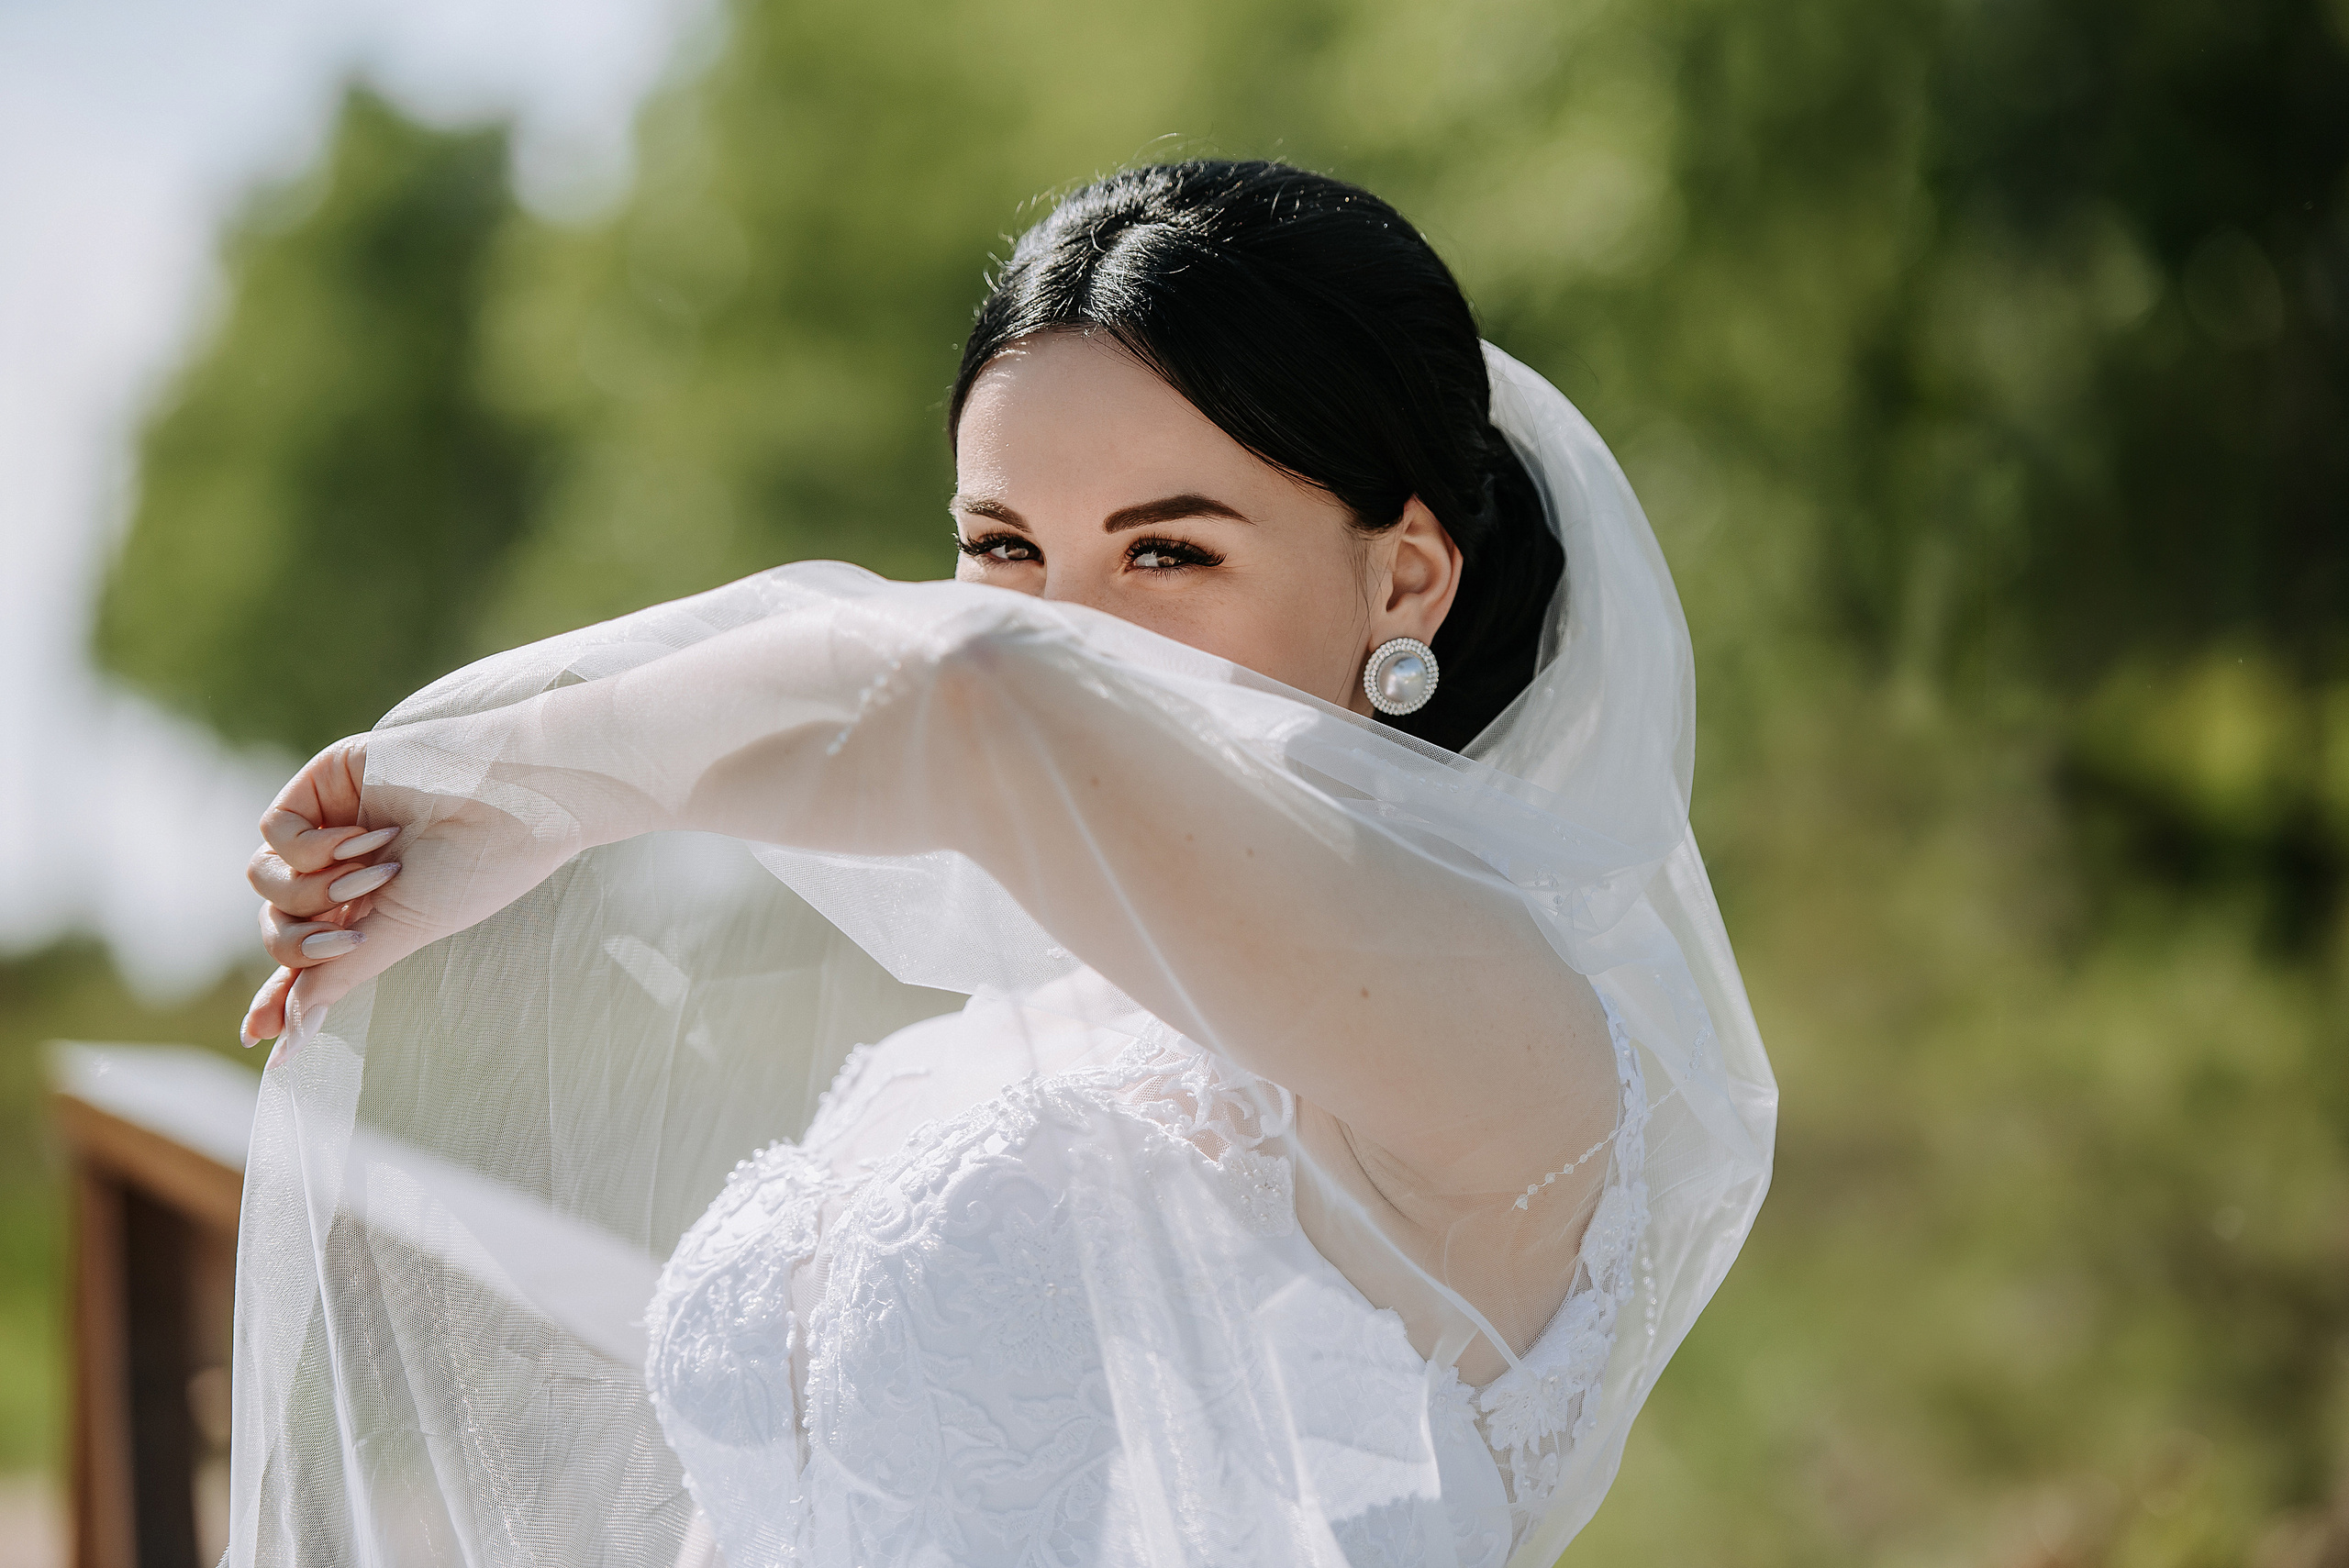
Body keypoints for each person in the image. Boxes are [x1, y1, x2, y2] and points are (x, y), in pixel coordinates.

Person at [229, 161, 1773, 1568]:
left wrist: (531, 787)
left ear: (1407, 579)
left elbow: (989, 695)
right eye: (1005, 545)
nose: (1069, 625)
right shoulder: (989, 1047)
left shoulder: (1500, 1017)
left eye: (1168, 551)